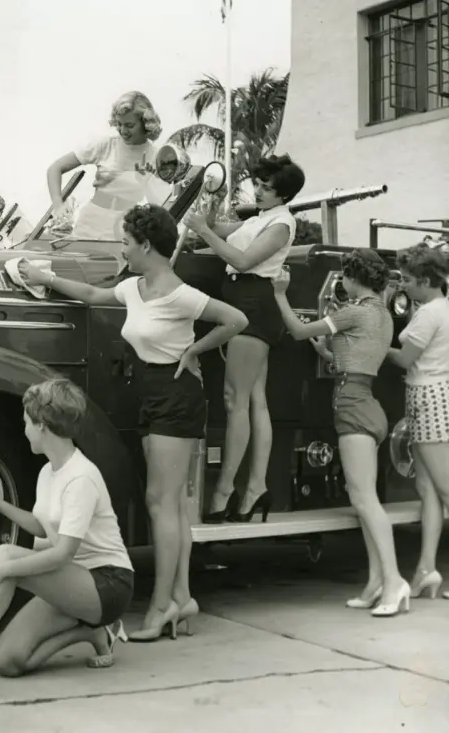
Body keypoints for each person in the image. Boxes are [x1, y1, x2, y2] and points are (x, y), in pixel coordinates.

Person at [19, 205, 247, 641]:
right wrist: (45, 278)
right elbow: (90, 296)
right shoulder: (135, 288)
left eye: (126, 241)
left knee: (161, 502)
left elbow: (236, 320)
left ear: (145, 246)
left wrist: (194, 351)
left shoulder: (179, 293)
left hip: (175, 397)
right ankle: (181, 598)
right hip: (150, 392)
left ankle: (162, 606)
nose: (122, 248)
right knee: (173, 503)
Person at [0, 378, 134, 708]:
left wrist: (0, 571)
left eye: (26, 423)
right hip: (72, 582)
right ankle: (93, 632)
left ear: (43, 426)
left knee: (5, 557)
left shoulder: (81, 477)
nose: (24, 430)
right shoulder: (49, 472)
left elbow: (62, 553)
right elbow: (41, 525)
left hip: (107, 583)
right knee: (8, 661)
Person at [272, 249, 409, 616]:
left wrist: (280, 294)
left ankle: (394, 581)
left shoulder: (352, 311)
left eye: (344, 278)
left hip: (352, 406)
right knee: (363, 500)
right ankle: (376, 582)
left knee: (364, 501)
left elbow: (299, 330)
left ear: (351, 279)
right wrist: (330, 352)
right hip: (367, 402)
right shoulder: (380, 316)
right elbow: (359, 361)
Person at [183, 154, 305, 523]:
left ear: (283, 194)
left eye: (267, 187)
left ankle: (224, 493)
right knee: (254, 401)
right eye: (259, 183)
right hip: (245, 302)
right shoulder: (261, 218)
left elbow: (242, 260)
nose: (260, 190)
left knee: (235, 400)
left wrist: (203, 231)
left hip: (253, 304)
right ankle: (255, 488)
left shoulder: (282, 223)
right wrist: (205, 215)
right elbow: (217, 229)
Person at [386, 244, 449, 601]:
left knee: (443, 489)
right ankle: (426, 567)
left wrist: (369, 342)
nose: (404, 286)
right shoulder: (441, 308)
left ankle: (428, 567)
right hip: (435, 395)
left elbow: (405, 358)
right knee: (427, 490)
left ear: (427, 280)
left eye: (409, 280)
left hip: (428, 397)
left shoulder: (428, 313)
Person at [46, 91, 169, 241]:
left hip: (124, 228)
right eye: (119, 124)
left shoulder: (156, 156)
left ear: (146, 123)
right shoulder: (105, 144)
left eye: (129, 125)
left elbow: (159, 203)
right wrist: (58, 205)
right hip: (90, 223)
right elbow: (55, 168)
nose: (123, 131)